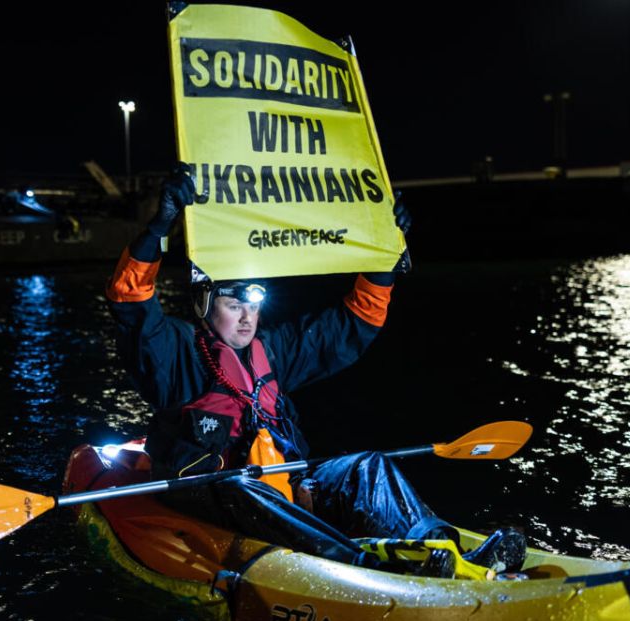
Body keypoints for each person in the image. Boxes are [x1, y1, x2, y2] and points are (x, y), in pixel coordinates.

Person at [106, 164, 524, 576]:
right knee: (241, 483)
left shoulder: (272, 351)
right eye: (235, 306)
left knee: (367, 465)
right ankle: (362, 568)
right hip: (212, 493)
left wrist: (385, 250)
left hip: (280, 486)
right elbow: (131, 305)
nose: (248, 318)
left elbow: (349, 326)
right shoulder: (178, 352)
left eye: (254, 307)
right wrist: (158, 228)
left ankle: (443, 547)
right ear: (204, 305)